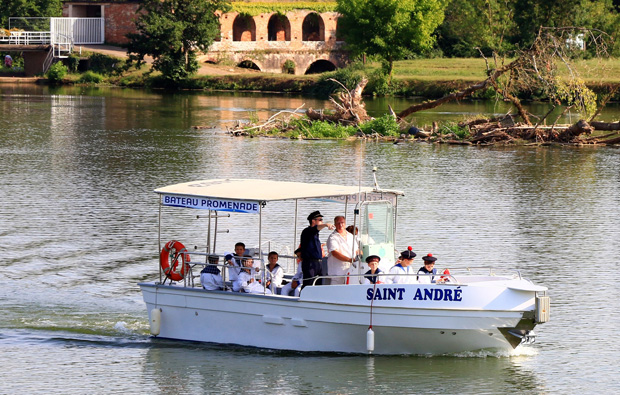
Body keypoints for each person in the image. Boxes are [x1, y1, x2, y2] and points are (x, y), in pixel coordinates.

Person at [299, 210, 334, 287]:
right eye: (320, 220)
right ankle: (304, 298)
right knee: (308, 284)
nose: (322, 221)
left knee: (318, 285)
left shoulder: (315, 234)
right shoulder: (307, 231)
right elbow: (316, 228)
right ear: (313, 221)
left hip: (318, 263)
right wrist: (326, 225)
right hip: (310, 263)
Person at [326, 215, 357, 285]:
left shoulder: (351, 236)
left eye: (342, 222)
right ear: (335, 225)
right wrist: (349, 259)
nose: (340, 225)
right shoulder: (332, 237)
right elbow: (334, 252)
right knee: (335, 293)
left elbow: (357, 250)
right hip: (338, 272)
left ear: (345, 224)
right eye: (338, 223)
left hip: (351, 270)